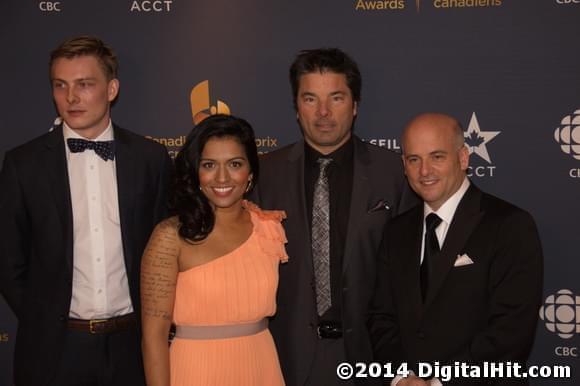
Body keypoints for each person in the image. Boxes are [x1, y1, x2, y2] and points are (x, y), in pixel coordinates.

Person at [0, 36, 173, 386]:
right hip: (53, 351)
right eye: (60, 86)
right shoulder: (22, 164)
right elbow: (8, 260)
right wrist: (43, 317)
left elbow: (166, 252)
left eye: (84, 84)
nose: (71, 98)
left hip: (134, 346)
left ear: (111, 89)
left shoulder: (150, 159)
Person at [254, 48, 417, 385]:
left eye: (336, 98)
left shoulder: (395, 174)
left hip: (372, 356)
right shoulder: (263, 176)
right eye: (310, 98)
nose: (323, 112)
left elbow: (412, 276)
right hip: (285, 357)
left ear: (355, 106)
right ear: (296, 108)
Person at [368, 113, 543, 386]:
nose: (424, 171)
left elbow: (510, 332)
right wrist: (402, 377)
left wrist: (439, 382)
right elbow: (381, 317)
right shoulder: (396, 231)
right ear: (404, 165)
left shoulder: (510, 226)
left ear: (463, 158)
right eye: (414, 159)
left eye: (437, 157)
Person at [141, 114, 288, 386]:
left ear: (250, 173)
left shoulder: (268, 228)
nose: (222, 177)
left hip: (260, 368)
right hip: (195, 371)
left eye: (234, 164)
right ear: (196, 172)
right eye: (209, 165)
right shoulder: (169, 236)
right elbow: (154, 337)